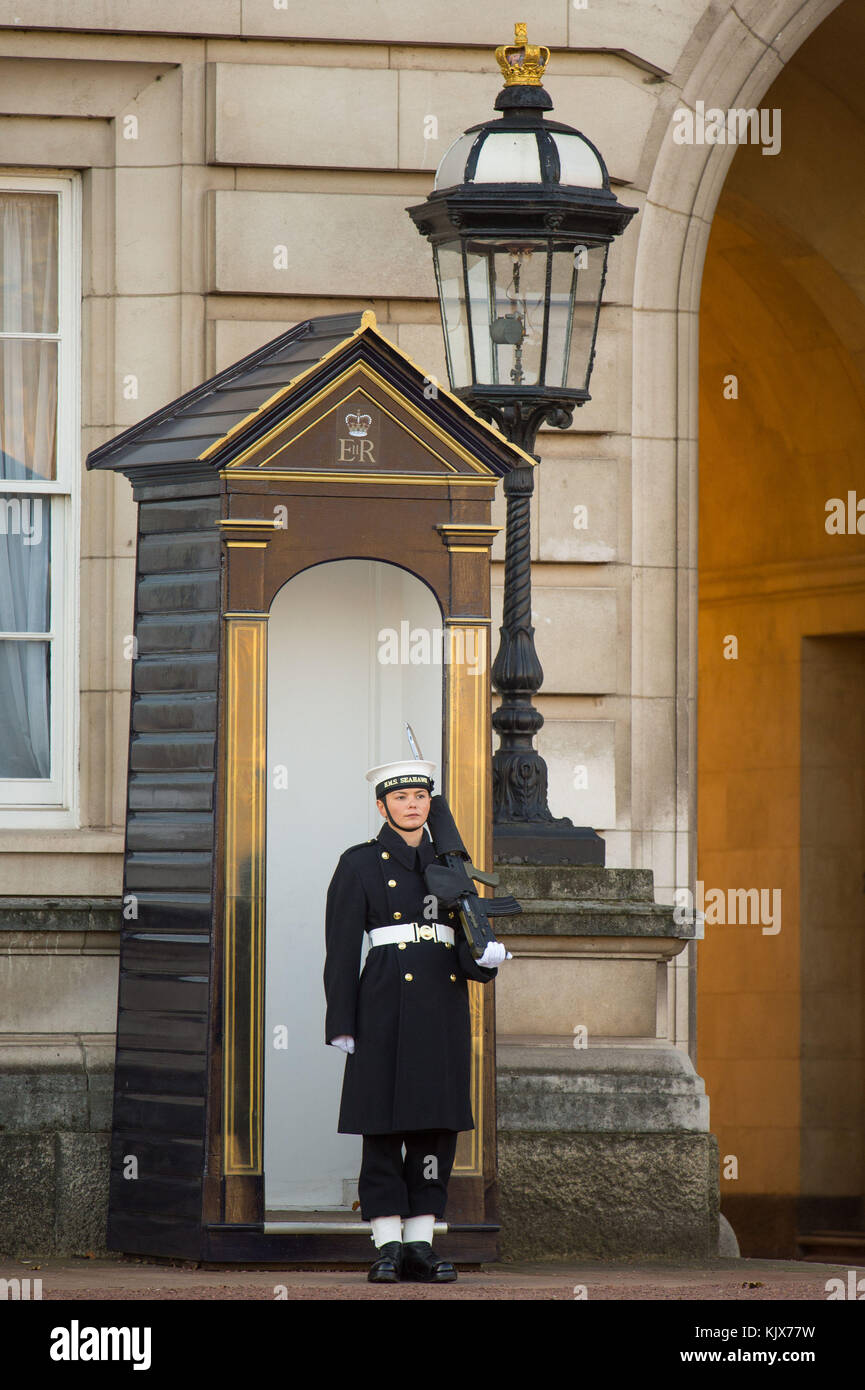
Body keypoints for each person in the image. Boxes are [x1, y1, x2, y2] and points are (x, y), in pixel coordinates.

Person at [323, 758, 509, 1283]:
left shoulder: (452, 865)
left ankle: (420, 1243)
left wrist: (485, 958)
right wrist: (342, 1022)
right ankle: (386, 1243)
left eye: (420, 796)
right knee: (381, 1127)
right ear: (382, 806)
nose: (412, 804)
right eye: (401, 797)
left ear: (431, 804)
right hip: (381, 1003)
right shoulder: (359, 863)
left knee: (434, 1126)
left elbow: (468, 941)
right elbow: (340, 951)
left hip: (439, 1004)